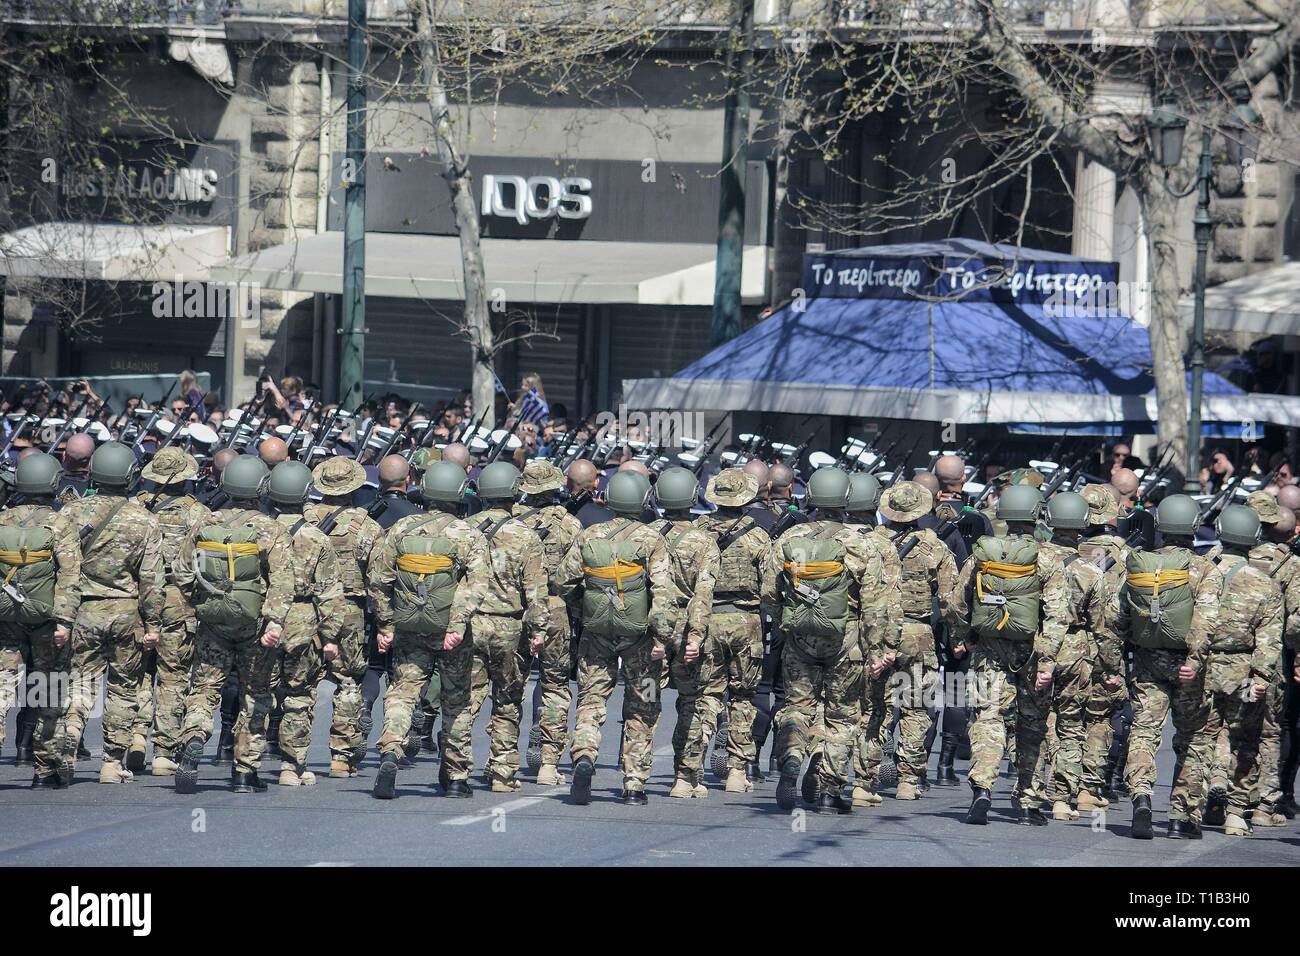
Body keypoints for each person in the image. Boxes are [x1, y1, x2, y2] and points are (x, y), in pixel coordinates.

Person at [764, 466, 897, 815]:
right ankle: (829, 789)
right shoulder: (861, 543)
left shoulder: (788, 540)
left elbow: (768, 593)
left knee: (796, 707)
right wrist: (876, 650)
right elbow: (874, 603)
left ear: (811, 497)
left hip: (800, 638)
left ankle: (792, 755)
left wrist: (785, 625)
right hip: (846, 639)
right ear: (846, 500)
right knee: (842, 716)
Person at [172, 456, 296, 794]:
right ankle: (245, 771)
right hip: (254, 625)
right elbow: (284, 581)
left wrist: (201, 603)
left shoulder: (205, 524)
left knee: (204, 689)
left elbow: (182, 571)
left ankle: (195, 735)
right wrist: (274, 621)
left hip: (213, 622)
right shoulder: (271, 528)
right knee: (255, 694)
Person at [367, 461, 489, 799]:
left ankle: (391, 749)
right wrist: (457, 626)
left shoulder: (402, 529)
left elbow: (379, 580)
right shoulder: (469, 535)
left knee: (403, 693)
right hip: (453, 634)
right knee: (456, 701)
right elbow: (476, 587)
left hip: (409, 628)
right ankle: (456, 777)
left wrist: (386, 624)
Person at [950, 483, 1069, 826]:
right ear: (1037, 516)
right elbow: (1057, 616)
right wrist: (1047, 662)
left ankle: (982, 788)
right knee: (1032, 725)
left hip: (989, 649)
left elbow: (957, 604)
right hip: (1032, 653)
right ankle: (1029, 800)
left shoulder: (982, 554)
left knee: (988, 718)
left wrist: (965, 637)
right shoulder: (1048, 559)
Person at [557, 470, 674, 805]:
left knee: (591, 701)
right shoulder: (652, 540)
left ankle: (584, 755)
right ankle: (634, 784)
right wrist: (662, 639)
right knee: (643, 705)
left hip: (596, 635)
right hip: (640, 641)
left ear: (607, 500)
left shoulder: (589, 536)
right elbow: (663, 594)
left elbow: (564, 582)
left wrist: (586, 608)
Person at [55, 442, 166, 785]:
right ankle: (111, 763)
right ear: (131, 476)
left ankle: (72, 728)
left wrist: (61, 616)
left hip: (82, 609)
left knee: (81, 680)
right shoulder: (145, 520)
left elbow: (59, 567)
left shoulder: (69, 513)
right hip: (125, 611)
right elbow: (151, 580)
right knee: (123, 687)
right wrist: (153, 623)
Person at [1114, 493, 1220, 839]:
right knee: (1193, 738)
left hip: (1147, 662)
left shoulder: (1139, 562)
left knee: (1144, 730)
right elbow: (1206, 620)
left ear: (1159, 525)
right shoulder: (1203, 568)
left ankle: (1142, 795)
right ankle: (1180, 816)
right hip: (1189, 669)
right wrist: (1194, 660)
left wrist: (1125, 654)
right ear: (1193, 527)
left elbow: (1120, 616)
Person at [450, 462, 549, 793]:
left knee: (463, 699)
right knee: (507, 700)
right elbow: (536, 592)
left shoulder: (461, 530)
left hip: (469, 623)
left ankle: (456, 773)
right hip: (509, 626)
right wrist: (539, 631)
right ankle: (503, 773)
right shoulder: (526, 537)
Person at [265, 460, 356, 786]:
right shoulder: (316, 538)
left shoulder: (258, 529)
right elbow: (330, 592)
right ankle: (292, 766)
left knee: (257, 693)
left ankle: (244, 766)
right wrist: (330, 635)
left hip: (263, 622)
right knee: (299, 696)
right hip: (303, 621)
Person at [1198, 505, 1282, 837]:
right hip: (1245, 671)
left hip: (1205, 667)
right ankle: (1235, 813)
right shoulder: (1265, 584)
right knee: (1244, 738)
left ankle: (1202, 793)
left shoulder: (1201, 572)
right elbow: (1269, 638)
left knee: (1202, 735)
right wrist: (1262, 678)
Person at [0, 453, 81, 787]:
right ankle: (44, 768)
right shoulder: (60, 523)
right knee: (47, 688)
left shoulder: (2, 519)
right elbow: (70, 574)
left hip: (5, 617)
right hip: (46, 620)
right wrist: (64, 620)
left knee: (2, 683)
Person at [872, 481, 956, 802]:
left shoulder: (871, 543)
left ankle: (868, 776)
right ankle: (908, 780)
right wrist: (959, 638)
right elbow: (949, 600)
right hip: (917, 632)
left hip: (878, 631)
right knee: (916, 706)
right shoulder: (934, 547)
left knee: (875, 703)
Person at [131, 448, 212, 776]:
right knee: (173, 675)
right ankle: (164, 750)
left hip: (138, 597)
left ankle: (135, 734)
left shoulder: (136, 508)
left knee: (136, 670)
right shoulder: (199, 514)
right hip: (179, 601)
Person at [1038, 491, 1115, 821]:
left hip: (1036, 646)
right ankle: (1060, 798)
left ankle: (1029, 789)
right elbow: (1103, 626)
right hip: (1077, 650)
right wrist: (1111, 666)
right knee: (1072, 725)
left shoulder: (1032, 558)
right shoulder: (1090, 570)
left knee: (1033, 720)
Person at [305, 456, 383, 778]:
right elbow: (378, 579)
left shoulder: (303, 521)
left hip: (308, 608)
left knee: (301, 683)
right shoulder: (367, 527)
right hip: (349, 611)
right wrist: (384, 622)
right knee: (348, 681)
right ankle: (341, 756)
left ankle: (291, 756)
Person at [695, 468, 769, 792]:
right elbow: (770, 587)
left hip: (707, 620)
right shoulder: (759, 536)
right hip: (746, 622)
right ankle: (737, 772)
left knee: (706, 695)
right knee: (742, 697)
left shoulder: (697, 532)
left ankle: (691, 769)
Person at [511, 460, 583, 786]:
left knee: (508, 687)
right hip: (555, 609)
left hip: (515, 608)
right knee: (555, 687)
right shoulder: (571, 525)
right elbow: (578, 574)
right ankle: (549, 765)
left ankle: (502, 759)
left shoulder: (511, 522)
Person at [649, 466, 719, 798]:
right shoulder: (705, 541)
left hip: (651, 630)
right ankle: (685, 776)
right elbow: (703, 595)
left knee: (644, 700)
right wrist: (695, 636)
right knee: (693, 701)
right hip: (687, 626)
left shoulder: (646, 534)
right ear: (694, 497)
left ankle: (635, 772)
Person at [1243, 493, 1300, 826]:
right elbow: (1297, 620)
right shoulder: (1290, 564)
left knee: (1228, 726)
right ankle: (1265, 804)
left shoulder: (1225, 556)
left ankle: (1222, 797)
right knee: (1269, 731)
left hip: (1230, 658)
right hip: (1272, 658)